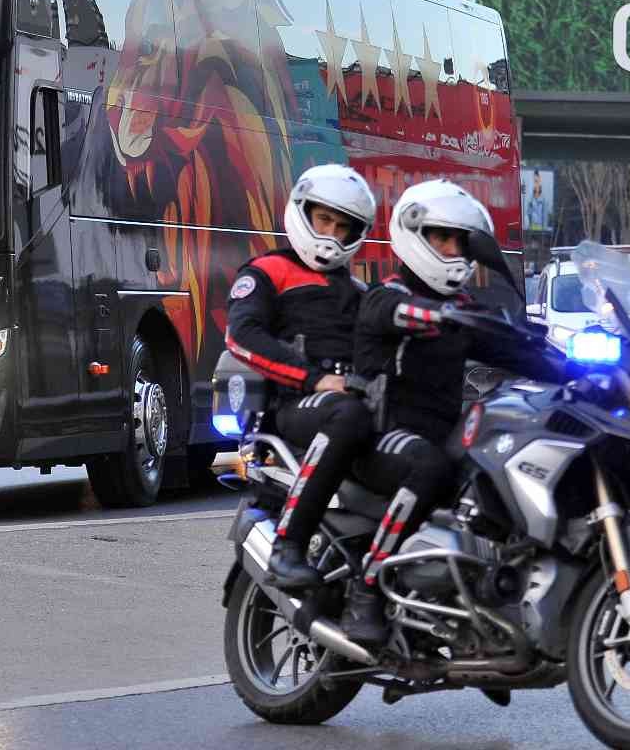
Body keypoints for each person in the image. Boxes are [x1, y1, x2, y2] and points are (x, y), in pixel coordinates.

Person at [350, 180, 567, 645]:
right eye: (441, 238)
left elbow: (521, 354)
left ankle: (486, 606)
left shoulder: (463, 311)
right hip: (383, 434)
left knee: (510, 469)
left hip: (444, 434)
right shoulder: (385, 296)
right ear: (414, 235)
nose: (452, 250)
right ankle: (365, 586)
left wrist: (591, 374)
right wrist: (447, 316)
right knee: (429, 465)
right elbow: (400, 313)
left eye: (460, 242)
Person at [223, 165, 378, 604]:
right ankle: (289, 544)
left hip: (351, 405)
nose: (331, 233)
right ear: (302, 215)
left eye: (343, 226)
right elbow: (242, 336)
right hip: (294, 406)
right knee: (347, 414)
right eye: (324, 220)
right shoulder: (268, 270)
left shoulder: (361, 292)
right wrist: (316, 379)